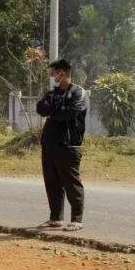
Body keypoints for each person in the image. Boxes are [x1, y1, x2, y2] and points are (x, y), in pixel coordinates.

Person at [36, 58, 88, 232]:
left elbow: (71, 113)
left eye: (53, 74)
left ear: (62, 74)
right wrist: (53, 111)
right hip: (49, 144)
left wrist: (53, 113)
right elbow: (41, 109)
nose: (52, 77)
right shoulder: (53, 92)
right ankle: (56, 218)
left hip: (69, 145)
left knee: (71, 182)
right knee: (52, 182)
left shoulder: (78, 93)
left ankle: (76, 219)